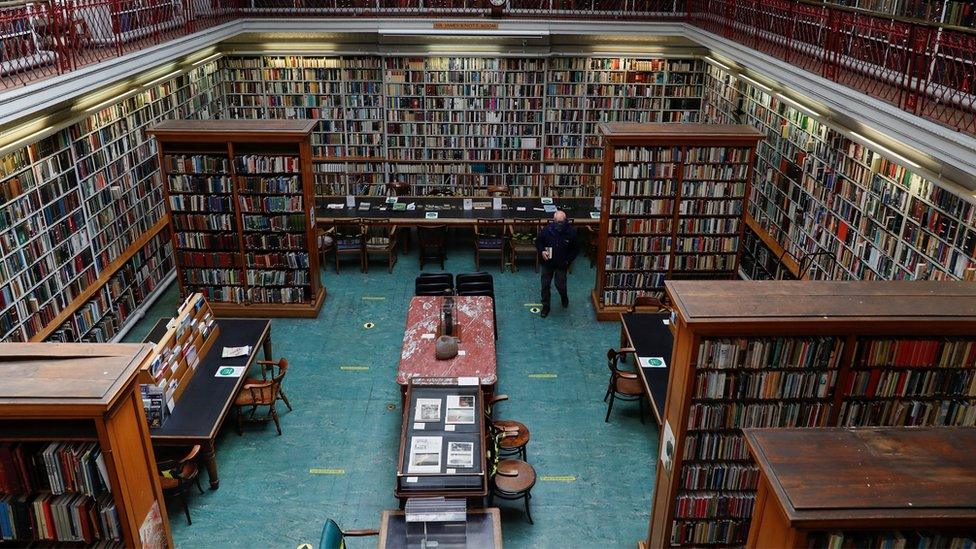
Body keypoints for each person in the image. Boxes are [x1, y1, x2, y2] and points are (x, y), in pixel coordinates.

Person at [535, 210, 579, 318]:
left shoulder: (571, 232)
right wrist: (542, 251)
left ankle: (564, 296)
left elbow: (576, 249)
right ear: (554, 220)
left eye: (561, 222)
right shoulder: (547, 230)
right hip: (548, 262)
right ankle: (546, 306)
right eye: (557, 221)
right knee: (545, 285)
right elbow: (538, 242)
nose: (559, 224)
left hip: (562, 263)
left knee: (560, 284)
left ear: (565, 220)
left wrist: (567, 261)